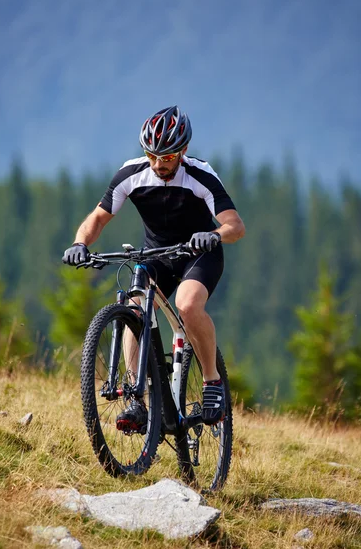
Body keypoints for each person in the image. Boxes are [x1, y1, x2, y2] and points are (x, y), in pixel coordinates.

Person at [63, 105, 245, 431]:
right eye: (153, 156)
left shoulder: (200, 175)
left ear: (183, 151)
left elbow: (235, 226)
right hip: (157, 255)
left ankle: (211, 381)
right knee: (135, 306)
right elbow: (98, 218)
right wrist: (80, 243)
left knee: (187, 306)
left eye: (169, 157)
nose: (159, 165)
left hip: (197, 254)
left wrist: (213, 235)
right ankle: (137, 399)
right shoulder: (131, 174)